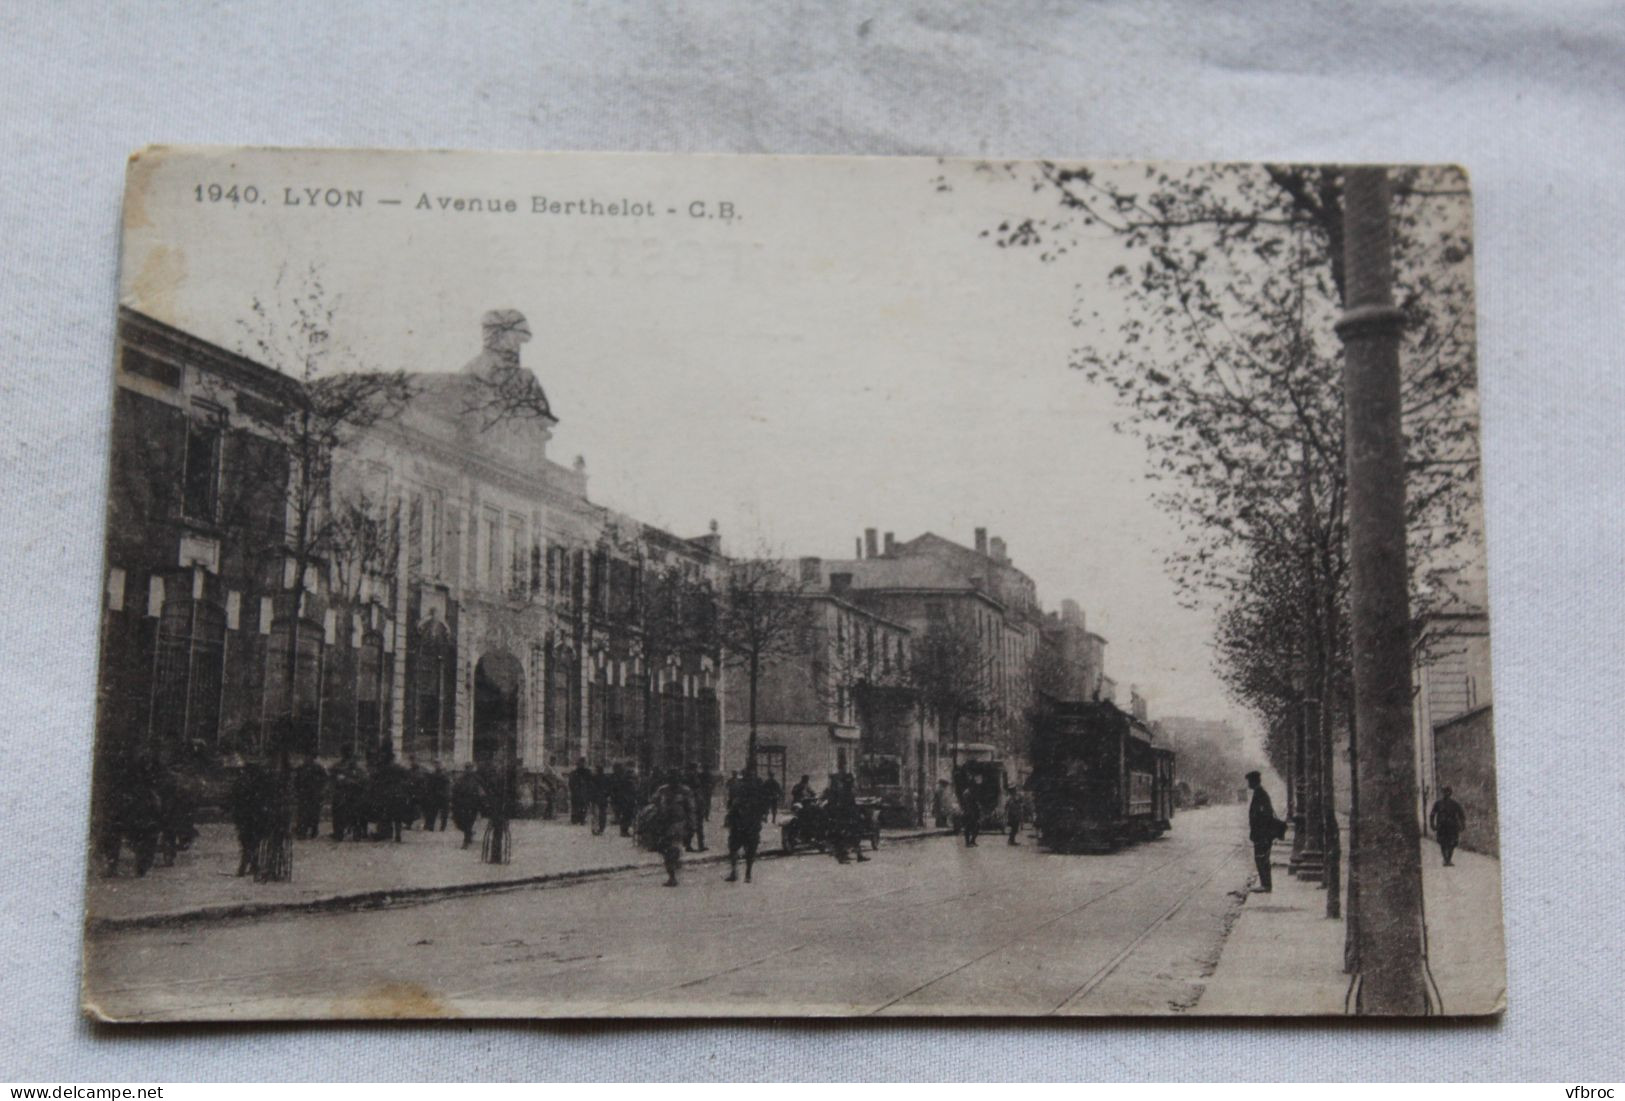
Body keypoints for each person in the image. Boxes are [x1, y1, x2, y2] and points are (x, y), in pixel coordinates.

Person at [723, 766, 774, 883]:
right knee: (746, 848)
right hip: (748, 823)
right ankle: (744, 873)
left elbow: (733, 805)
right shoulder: (751, 789)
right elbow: (733, 805)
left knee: (738, 848)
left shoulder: (746, 789)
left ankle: (740, 872)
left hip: (745, 823)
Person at [648, 770, 696, 887]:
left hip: (678, 823)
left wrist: (692, 825)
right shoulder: (662, 790)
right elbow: (653, 802)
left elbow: (690, 809)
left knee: (672, 848)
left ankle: (672, 876)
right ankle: (673, 869)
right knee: (665, 850)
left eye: (676, 778)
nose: (673, 781)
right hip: (664, 824)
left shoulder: (685, 791)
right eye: (671, 778)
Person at [228, 758, 271, 877]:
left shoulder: (241, 782)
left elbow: (234, 799)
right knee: (253, 842)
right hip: (256, 817)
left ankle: (245, 867)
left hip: (245, 817)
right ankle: (252, 866)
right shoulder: (261, 783)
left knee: (246, 843)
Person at [1245, 770, 1285, 893]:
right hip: (1261, 834)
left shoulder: (1260, 794)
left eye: (1249, 781)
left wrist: (1261, 834)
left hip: (1262, 834)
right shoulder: (1259, 793)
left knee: (1262, 859)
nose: (1248, 784)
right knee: (1261, 858)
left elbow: (1263, 816)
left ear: (1254, 781)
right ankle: (1265, 883)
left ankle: (1266, 885)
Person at [824, 772, 869, 864]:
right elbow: (845, 806)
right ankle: (843, 857)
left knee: (853, 836)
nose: (853, 783)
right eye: (852, 782)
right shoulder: (844, 793)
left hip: (847, 818)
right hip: (844, 819)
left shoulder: (845, 792)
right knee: (843, 837)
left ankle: (858, 855)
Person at [1429, 786, 1468, 866]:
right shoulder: (1438, 804)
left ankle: (1448, 859)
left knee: (1452, 843)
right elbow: (1432, 814)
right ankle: (1446, 859)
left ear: (1450, 793)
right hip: (1441, 826)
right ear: (1443, 793)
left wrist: (1462, 825)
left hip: (1452, 827)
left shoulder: (1455, 804)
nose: (1446, 794)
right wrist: (1432, 825)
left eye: (1448, 792)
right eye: (1445, 792)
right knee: (1442, 843)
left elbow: (1461, 815)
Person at [451, 762, 486, 849]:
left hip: (473, 805)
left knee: (468, 823)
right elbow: (455, 790)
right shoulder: (461, 779)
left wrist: (481, 805)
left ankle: (466, 841)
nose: (468, 769)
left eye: (470, 768)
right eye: (467, 768)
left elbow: (482, 792)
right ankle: (469, 834)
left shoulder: (477, 779)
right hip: (461, 804)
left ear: (472, 768)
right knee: (460, 823)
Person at [293, 752, 328, 840]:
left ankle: (313, 831)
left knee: (314, 813)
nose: (306, 758)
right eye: (306, 756)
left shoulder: (318, 768)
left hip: (314, 793)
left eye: (308, 756)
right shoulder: (301, 768)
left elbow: (325, 779)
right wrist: (297, 790)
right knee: (303, 813)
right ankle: (302, 831)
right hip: (304, 793)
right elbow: (296, 780)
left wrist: (321, 790)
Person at [425, 759, 451, 831]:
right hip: (435, 796)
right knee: (433, 812)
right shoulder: (433, 774)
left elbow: (447, 785)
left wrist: (446, 795)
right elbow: (429, 786)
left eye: (438, 764)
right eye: (436, 764)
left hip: (443, 796)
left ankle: (443, 827)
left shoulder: (445, 774)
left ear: (441, 765)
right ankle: (431, 827)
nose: (437, 765)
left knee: (444, 814)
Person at [959, 773, 984, 847]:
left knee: (977, 827)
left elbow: (976, 802)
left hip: (974, 812)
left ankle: (972, 841)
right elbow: (966, 804)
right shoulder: (967, 793)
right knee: (968, 827)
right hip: (968, 812)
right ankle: (967, 843)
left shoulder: (973, 792)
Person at [568, 757, 594, 825]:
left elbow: (591, 782)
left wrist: (589, 791)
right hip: (577, 792)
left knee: (583, 806)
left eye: (582, 763)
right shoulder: (574, 773)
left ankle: (582, 819)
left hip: (584, 792)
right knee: (576, 806)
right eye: (579, 763)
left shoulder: (587, 772)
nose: (581, 765)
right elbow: (571, 783)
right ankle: (575, 819)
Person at [590, 765, 610, 835]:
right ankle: (601, 828)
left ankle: (595, 828)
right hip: (603, 798)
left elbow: (591, 789)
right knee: (602, 814)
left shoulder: (593, 778)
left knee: (595, 814)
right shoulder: (606, 778)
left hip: (595, 799)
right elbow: (608, 789)